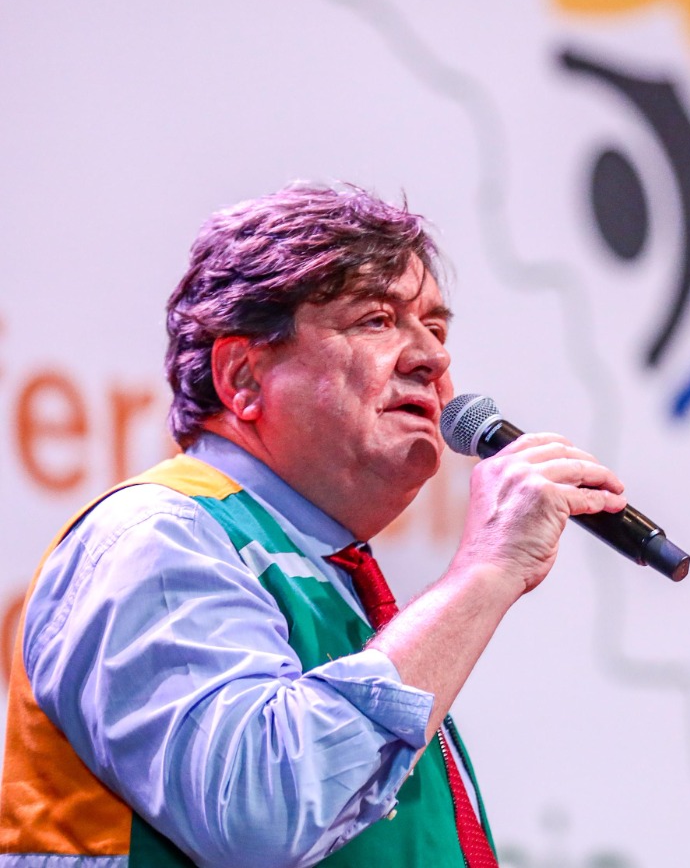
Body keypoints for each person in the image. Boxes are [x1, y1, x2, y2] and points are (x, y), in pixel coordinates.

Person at [0, 184, 627, 867]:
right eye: (377, 320)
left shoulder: (336, 581)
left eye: (437, 329)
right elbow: (260, 816)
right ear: (243, 377)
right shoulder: (156, 537)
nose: (433, 358)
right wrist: (485, 572)